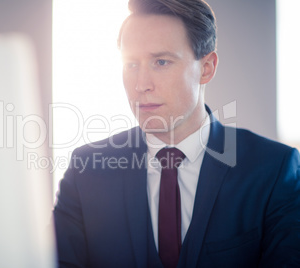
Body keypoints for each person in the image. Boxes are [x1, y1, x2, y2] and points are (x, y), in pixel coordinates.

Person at [53, 0, 300, 267]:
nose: (141, 85)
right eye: (131, 64)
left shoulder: (273, 170)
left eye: (161, 62)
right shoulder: (86, 171)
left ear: (207, 68)